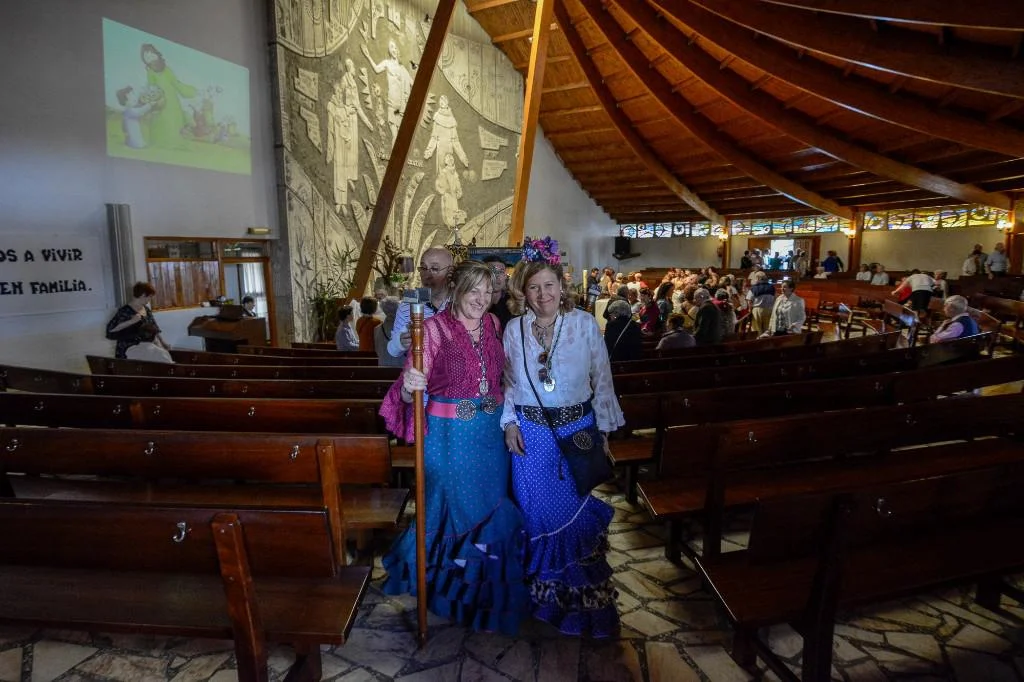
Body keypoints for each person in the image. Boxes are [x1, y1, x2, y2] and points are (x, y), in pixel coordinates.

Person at [379, 260, 528, 634]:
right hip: (448, 436)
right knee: (450, 507)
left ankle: (482, 593)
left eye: (487, 291)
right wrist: (411, 386)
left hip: (490, 436)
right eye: (473, 290)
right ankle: (447, 590)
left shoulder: (493, 324)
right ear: (457, 289)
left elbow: (500, 374)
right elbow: (409, 386)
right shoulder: (432, 329)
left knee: (491, 506)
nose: (481, 299)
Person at [502, 259, 624, 637]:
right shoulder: (513, 328)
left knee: (573, 514)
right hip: (530, 435)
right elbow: (508, 382)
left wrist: (604, 430)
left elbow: (602, 378)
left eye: (549, 285)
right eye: (534, 287)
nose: (543, 295)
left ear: (561, 287)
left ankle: (582, 606)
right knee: (535, 515)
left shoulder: (584, 324)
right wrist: (509, 422)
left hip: (577, 431)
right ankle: (541, 599)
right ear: (523, 293)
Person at [387, 247, 454, 361]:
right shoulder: (409, 300)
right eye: (423, 268)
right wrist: (400, 342)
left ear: (450, 271)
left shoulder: (461, 301)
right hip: (419, 370)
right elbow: (392, 350)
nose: (427, 275)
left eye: (434, 268)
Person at [105, 282, 170, 360]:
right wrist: (131, 321)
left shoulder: (146, 309)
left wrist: (162, 343)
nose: (149, 300)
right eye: (149, 297)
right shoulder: (125, 311)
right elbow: (111, 330)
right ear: (143, 295)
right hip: (127, 351)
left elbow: (154, 328)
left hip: (145, 350)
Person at [483, 255, 513, 332]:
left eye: (501, 272)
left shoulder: (513, 304)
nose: (497, 276)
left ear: (505, 276)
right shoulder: (475, 302)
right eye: (492, 271)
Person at [373, 296, 403, 367]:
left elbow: (377, 350)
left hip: (383, 366)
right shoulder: (403, 328)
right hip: (400, 366)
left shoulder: (377, 329)